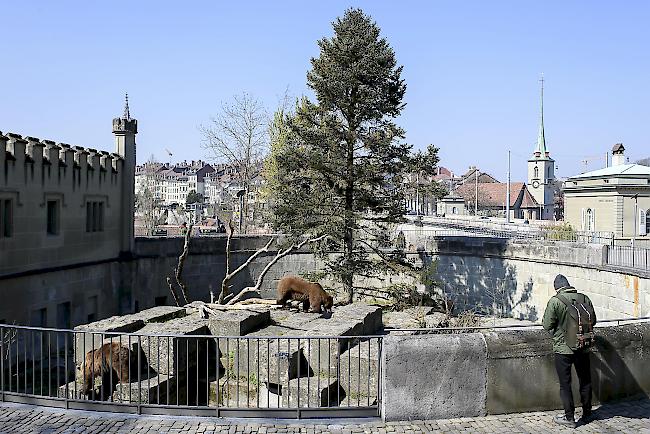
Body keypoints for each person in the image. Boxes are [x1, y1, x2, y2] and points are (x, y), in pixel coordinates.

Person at [542, 274, 597, 428]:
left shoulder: (555, 301)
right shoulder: (584, 298)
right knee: (585, 380)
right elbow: (593, 320)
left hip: (563, 349)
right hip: (583, 346)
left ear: (557, 288)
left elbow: (546, 325)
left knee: (565, 384)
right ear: (569, 285)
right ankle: (587, 413)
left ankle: (569, 418)